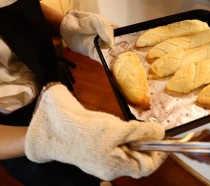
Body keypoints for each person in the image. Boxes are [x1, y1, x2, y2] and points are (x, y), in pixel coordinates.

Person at [0, 0, 167, 185]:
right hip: (13, 129)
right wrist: (49, 137)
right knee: (57, 177)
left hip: (50, 80)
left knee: (88, 159)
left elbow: (17, 5)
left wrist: (65, 25)